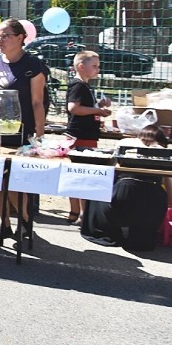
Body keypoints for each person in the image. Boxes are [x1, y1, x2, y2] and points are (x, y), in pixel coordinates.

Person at [0, 18, 47, 240]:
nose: (0, 40)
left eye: (5, 35)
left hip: (18, 134)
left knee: (15, 182)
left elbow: (38, 102)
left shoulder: (32, 66)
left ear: (20, 38)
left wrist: (39, 133)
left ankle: (25, 222)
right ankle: (4, 223)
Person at [82, 125, 170, 251]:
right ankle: (140, 238)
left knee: (97, 192)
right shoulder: (165, 157)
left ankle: (101, 231)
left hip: (124, 196)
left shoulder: (126, 147)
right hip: (153, 203)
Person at [65, 50, 111, 226]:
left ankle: (78, 212)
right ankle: (80, 212)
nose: (97, 70)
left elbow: (83, 107)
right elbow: (73, 108)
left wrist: (98, 105)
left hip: (84, 135)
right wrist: (98, 110)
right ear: (81, 67)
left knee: (79, 175)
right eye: (94, 66)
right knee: (81, 176)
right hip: (80, 137)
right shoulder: (78, 86)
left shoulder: (85, 86)